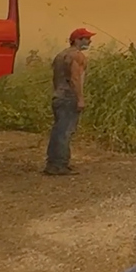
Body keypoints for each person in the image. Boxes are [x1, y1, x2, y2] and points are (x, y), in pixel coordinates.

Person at [45, 28, 95, 176]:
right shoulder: (77, 56)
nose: (89, 41)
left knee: (58, 131)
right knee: (65, 132)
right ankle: (59, 165)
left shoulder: (60, 55)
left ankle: (53, 163)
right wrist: (80, 98)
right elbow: (75, 78)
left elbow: (55, 78)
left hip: (58, 96)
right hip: (69, 97)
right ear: (77, 40)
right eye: (86, 38)